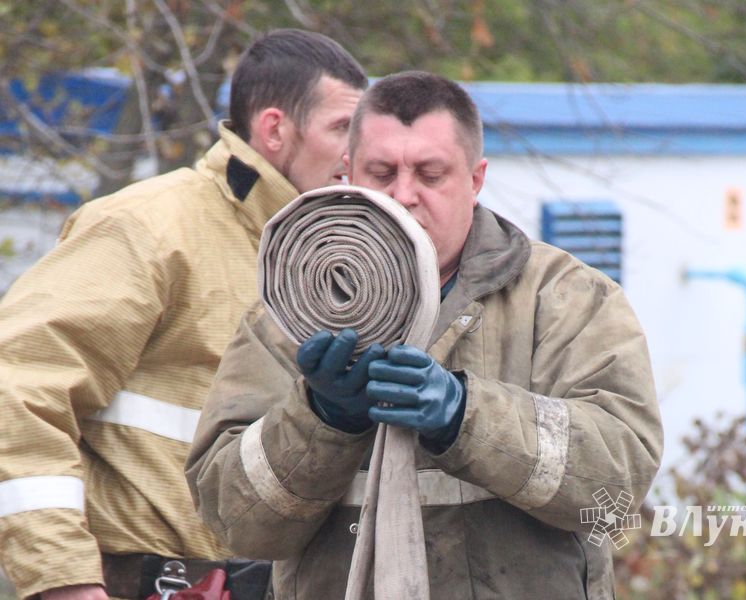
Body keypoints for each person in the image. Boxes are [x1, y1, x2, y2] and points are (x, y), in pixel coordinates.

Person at [186, 71, 663, 599]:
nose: (404, 195)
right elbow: (234, 523)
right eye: (382, 172)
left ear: (476, 179)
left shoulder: (567, 298)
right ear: (347, 174)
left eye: (430, 174)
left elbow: (617, 487)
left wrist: (464, 414)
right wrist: (322, 419)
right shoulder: (288, 314)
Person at [0, 30, 366, 600]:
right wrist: (64, 582)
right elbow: (17, 392)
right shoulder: (147, 228)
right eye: (343, 128)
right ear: (274, 129)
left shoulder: (336, 260)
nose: (357, 155)